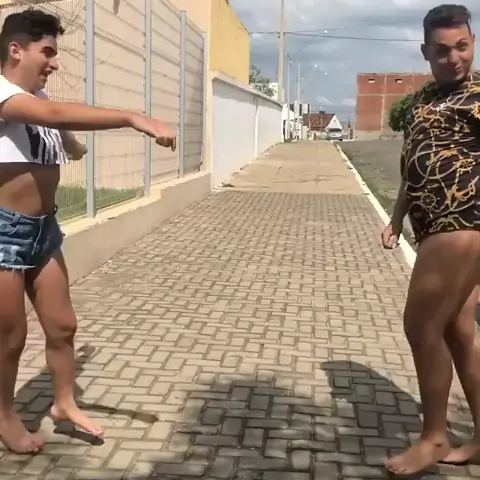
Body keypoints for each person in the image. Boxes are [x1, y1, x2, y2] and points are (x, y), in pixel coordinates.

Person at [0, 9, 176, 453]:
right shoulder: (3, 94)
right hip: (3, 234)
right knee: (10, 337)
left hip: (43, 230)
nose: (54, 62)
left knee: (63, 325)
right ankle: (4, 416)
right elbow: (53, 113)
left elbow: (55, 125)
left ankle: (63, 403)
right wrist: (132, 117)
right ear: (16, 50)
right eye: (48, 52)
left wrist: (72, 144)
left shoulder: (35, 97)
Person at [381, 3, 480, 476]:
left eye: (462, 46)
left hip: (462, 224)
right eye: (442, 51)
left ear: (473, 42)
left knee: (420, 327)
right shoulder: (424, 101)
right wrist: (396, 218)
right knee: (458, 333)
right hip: (431, 227)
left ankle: (434, 437)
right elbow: (412, 167)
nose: (454, 58)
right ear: (425, 52)